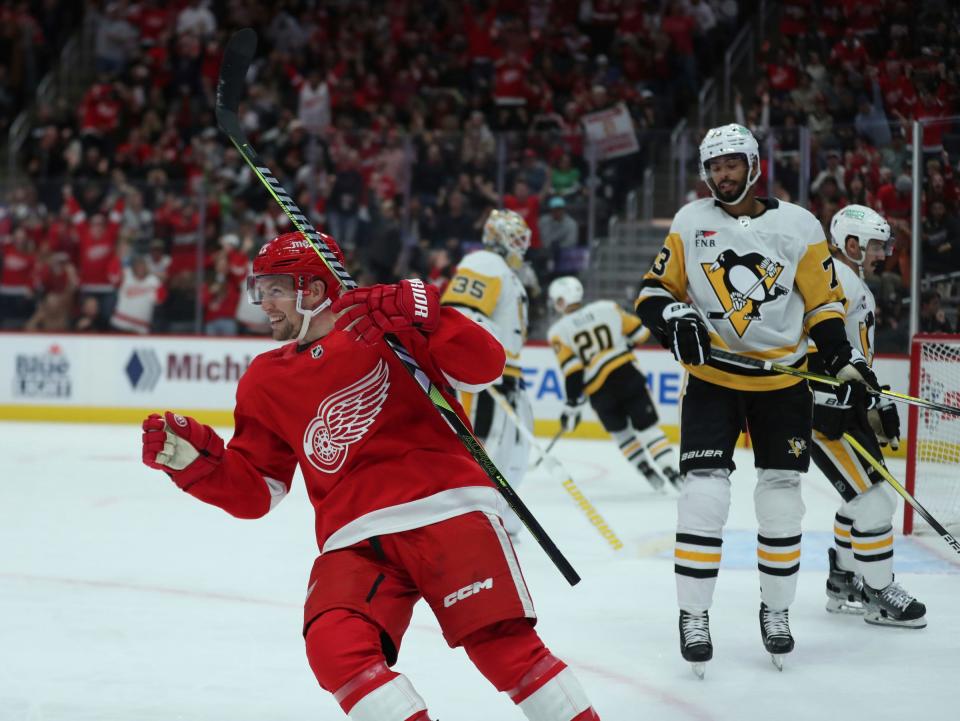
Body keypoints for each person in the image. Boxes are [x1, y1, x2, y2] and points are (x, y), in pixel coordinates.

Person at [140, 231, 601, 721]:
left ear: (313, 290)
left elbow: (485, 368)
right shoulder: (263, 380)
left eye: (274, 289)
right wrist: (196, 465)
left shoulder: (388, 323)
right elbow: (257, 493)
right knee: (334, 647)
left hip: (446, 509)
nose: (263, 304)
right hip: (354, 542)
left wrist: (430, 313)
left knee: (504, 651)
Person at [634, 124, 876, 675]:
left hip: (782, 385)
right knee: (703, 498)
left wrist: (843, 357)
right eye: (714, 166)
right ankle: (693, 616)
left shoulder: (799, 225)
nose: (723, 174)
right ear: (705, 171)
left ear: (753, 165)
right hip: (713, 381)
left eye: (732, 163)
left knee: (782, 499)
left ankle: (777, 611)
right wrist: (672, 317)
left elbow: (823, 306)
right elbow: (653, 292)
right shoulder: (690, 222)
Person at [812, 205, 927, 628]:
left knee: (862, 498)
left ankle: (844, 580)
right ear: (852, 244)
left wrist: (876, 400)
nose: (883, 253)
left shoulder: (853, 282)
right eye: (877, 245)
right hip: (823, 411)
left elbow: (854, 354)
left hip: (843, 406)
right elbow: (812, 343)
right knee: (875, 501)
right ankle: (878, 591)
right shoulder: (834, 278)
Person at [440, 209, 534, 539]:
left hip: (512, 377)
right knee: (484, 451)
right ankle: (466, 520)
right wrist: (481, 359)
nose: (521, 244)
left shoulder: (511, 274)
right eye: (514, 236)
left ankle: (502, 522)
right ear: (497, 237)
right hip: (489, 378)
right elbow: (463, 313)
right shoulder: (483, 262)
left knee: (515, 456)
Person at [546, 275, 681, 491]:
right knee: (647, 427)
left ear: (561, 300)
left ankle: (645, 469)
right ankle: (670, 470)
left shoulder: (557, 332)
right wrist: (623, 345)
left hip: (599, 392)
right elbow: (640, 332)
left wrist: (572, 404)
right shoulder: (606, 308)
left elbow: (573, 372)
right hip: (626, 375)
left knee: (621, 434)